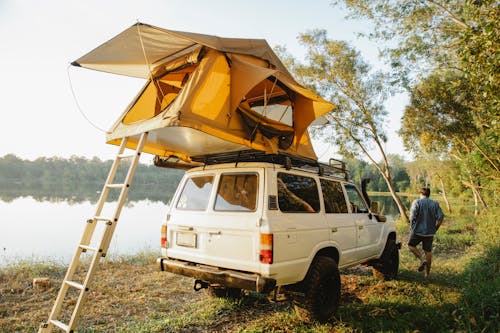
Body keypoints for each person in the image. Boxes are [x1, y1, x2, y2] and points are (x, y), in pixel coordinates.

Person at [408, 187, 444, 279]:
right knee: (428, 251)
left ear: (421, 194)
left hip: (417, 231)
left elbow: (412, 216)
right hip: (430, 233)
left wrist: (411, 227)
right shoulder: (435, 204)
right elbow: (440, 218)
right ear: (429, 194)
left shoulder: (417, 202)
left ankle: (422, 259)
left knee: (411, 245)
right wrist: (435, 228)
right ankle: (427, 275)